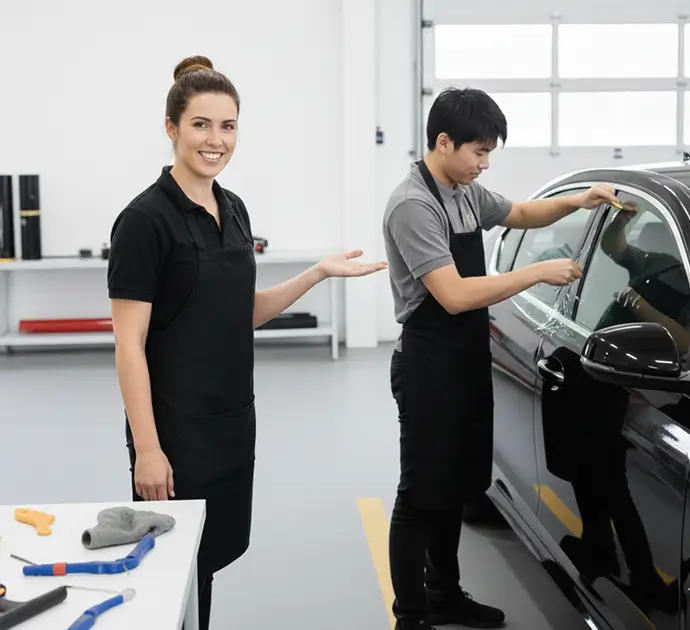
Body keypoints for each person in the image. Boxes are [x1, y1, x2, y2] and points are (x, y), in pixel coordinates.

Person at [107, 55, 387, 630]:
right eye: (201, 125)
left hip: (231, 423)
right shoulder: (144, 222)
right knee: (171, 573)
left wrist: (316, 274)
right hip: (176, 431)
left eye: (228, 126)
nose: (216, 140)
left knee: (205, 567)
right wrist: (149, 447)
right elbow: (128, 345)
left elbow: (241, 314)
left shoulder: (233, 209)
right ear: (171, 128)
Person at [382, 86, 619, 630]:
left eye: (490, 152)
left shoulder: (466, 189)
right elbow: (455, 294)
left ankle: (445, 594)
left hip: (464, 360)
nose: (484, 163)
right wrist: (537, 272)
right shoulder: (414, 204)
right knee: (420, 494)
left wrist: (576, 200)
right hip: (427, 366)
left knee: (456, 487)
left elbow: (519, 212)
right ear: (443, 142)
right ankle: (411, 614)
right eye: (478, 151)